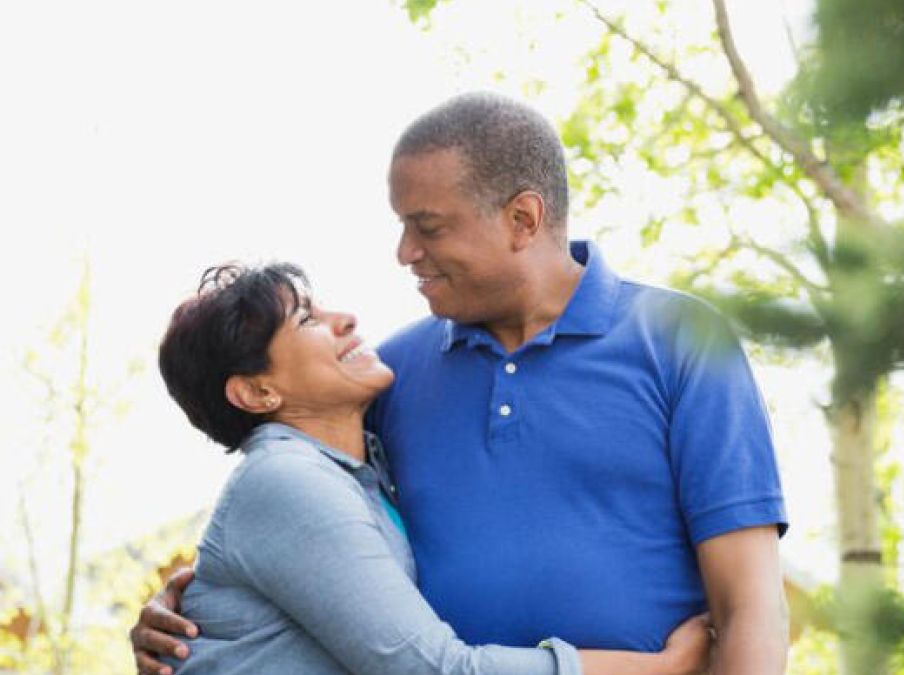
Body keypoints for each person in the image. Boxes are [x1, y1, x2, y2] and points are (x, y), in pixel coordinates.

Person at [132, 92, 790, 674]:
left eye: (429, 226)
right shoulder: (391, 375)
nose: (405, 252)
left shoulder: (681, 341)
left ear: (522, 220)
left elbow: (748, 607)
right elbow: (299, 531)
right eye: (402, 225)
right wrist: (187, 611)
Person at [151, 261, 711, 675]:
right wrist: (667, 667)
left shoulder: (360, 470)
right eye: (307, 320)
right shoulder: (285, 480)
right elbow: (432, 670)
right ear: (256, 390)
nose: (344, 320)